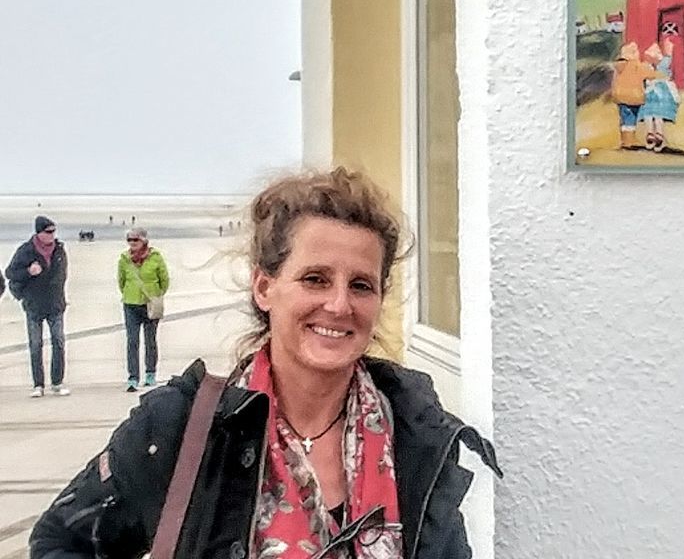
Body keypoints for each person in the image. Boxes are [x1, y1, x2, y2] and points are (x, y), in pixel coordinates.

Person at [31, 167, 500, 559]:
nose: (339, 305)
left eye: (361, 285)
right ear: (264, 287)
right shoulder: (187, 424)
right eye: (315, 279)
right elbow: (59, 540)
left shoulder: (417, 436)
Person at [5, 215, 69, 397]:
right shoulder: (26, 251)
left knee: (58, 342)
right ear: (39, 233)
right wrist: (28, 272)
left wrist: (60, 295)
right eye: (48, 232)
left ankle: (57, 382)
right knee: (35, 344)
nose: (52, 235)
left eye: (53, 231)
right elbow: (10, 273)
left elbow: (62, 275)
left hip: (55, 304)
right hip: (34, 304)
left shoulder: (59, 250)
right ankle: (38, 385)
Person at [117, 227, 170, 392]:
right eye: (129, 240)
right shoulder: (124, 259)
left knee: (150, 341)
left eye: (135, 240)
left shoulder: (155, 258)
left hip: (149, 305)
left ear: (144, 241)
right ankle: (133, 377)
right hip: (131, 304)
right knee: (132, 341)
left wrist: (156, 295)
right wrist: (129, 294)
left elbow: (165, 280)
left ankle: (150, 373)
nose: (132, 243)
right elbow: (121, 281)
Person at [610, 40, 657, 149]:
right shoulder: (637, 65)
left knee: (624, 119)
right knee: (631, 119)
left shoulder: (619, 66)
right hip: (634, 96)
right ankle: (629, 141)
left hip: (620, 96)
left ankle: (624, 140)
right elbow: (650, 75)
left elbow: (614, 80)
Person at [640, 40, 680, 152]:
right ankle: (658, 135)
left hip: (649, 94)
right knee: (658, 116)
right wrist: (669, 49)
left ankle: (650, 135)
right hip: (660, 94)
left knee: (649, 115)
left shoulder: (647, 67)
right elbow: (667, 59)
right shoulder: (662, 67)